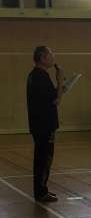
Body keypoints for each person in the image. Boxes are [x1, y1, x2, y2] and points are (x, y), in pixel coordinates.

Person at [26, 46, 64, 203]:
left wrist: (59, 87)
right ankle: (41, 192)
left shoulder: (34, 75)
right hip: (44, 125)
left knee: (41, 159)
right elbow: (56, 100)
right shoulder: (41, 77)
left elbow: (50, 97)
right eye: (50, 54)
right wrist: (60, 80)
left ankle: (41, 190)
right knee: (44, 159)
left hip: (39, 124)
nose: (53, 56)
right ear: (42, 57)